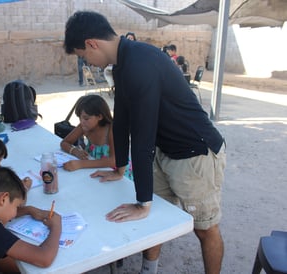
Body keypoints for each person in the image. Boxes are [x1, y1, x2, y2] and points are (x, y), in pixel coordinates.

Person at [63, 11, 226, 274]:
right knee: (155, 223)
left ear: (92, 43)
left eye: (84, 56)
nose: (88, 63)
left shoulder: (140, 62)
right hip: (165, 151)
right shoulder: (122, 64)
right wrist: (119, 167)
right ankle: (148, 270)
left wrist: (142, 202)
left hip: (196, 154)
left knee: (204, 228)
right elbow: (122, 120)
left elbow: (142, 135)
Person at [60, 94, 132, 179]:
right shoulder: (85, 126)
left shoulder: (111, 130)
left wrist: (80, 164)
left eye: (86, 118)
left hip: (115, 173)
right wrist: (75, 151)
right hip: (93, 169)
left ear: (100, 116)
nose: (82, 122)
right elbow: (64, 143)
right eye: (80, 118)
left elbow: (114, 161)